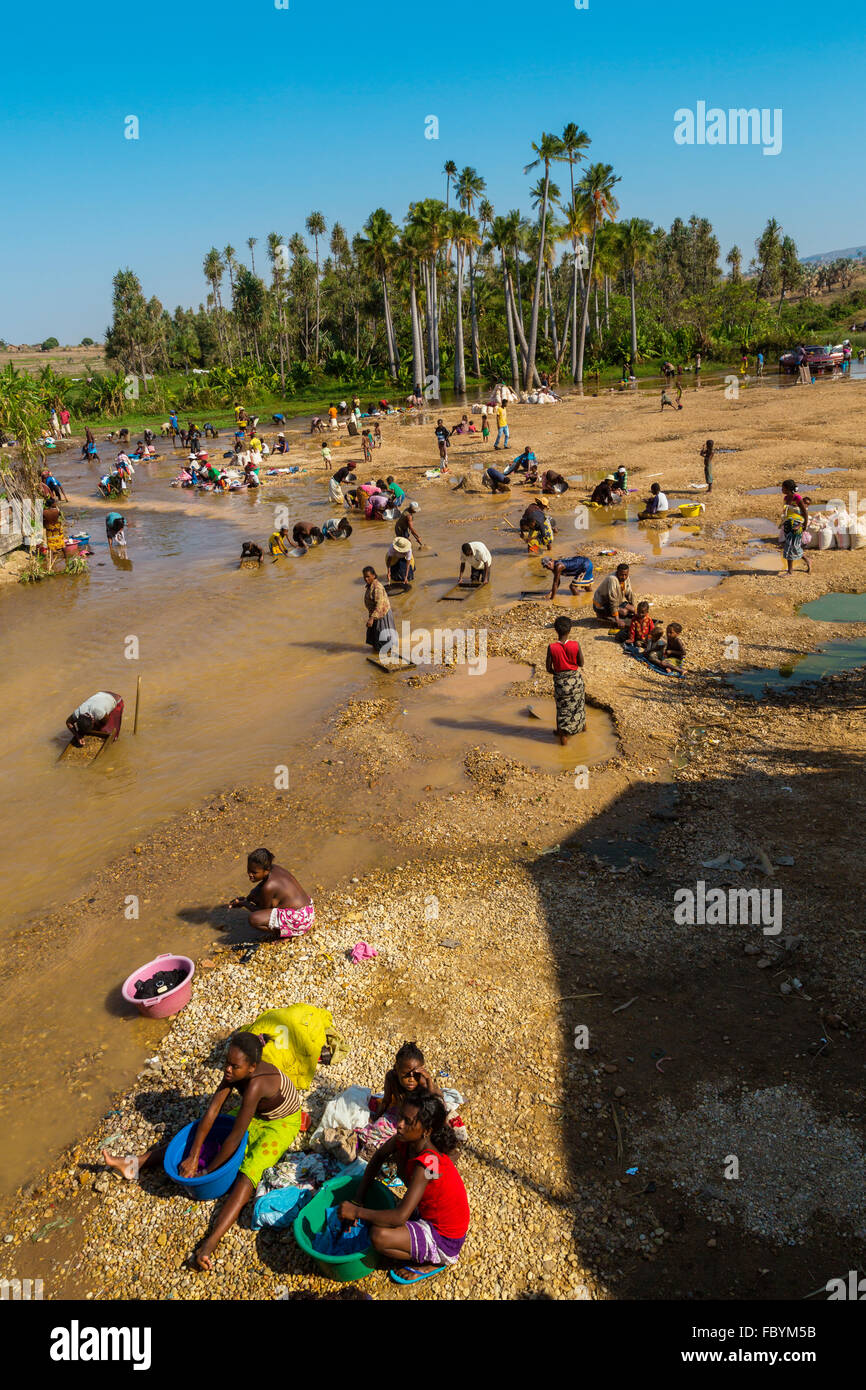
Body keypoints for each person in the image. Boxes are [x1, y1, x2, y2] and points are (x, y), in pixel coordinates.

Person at [104, 1029, 302, 1271]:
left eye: (234, 1066)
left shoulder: (256, 1085)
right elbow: (211, 1111)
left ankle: (210, 1242)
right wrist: (194, 1154)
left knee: (249, 1171)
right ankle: (135, 1163)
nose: (227, 1070)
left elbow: (236, 1135)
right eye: (226, 1063)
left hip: (281, 1122)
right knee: (203, 1132)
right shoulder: (234, 1072)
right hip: (258, 1112)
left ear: (251, 1068)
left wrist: (207, 1169)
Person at [337, 1091, 469, 1286]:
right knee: (382, 1216)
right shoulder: (406, 1141)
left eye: (408, 1121)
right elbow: (378, 1157)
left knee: (379, 1236)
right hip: (431, 1212)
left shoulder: (427, 1163)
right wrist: (358, 1197)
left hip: (445, 1235)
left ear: (426, 1130)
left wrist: (355, 1211)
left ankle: (432, 1262)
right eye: (400, 1117)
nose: (399, 1124)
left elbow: (399, 1216)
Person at [353, 1041, 443, 1160]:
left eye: (414, 1075)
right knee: (373, 1132)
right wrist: (374, 1119)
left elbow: (436, 1100)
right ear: (396, 1069)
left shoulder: (422, 1081)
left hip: (418, 1118)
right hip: (399, 1115)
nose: (411, 1079)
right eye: (406, 1075)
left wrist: (429, 1080)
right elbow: (386, 1101)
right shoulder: (391, 1078)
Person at [229, 847, 314, 939]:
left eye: (254, 872)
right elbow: (258, 889)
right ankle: (285, 927)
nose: (250, 874)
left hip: (301, 921)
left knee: (254, 919)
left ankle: (286, 933)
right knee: (256, 893)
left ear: (266, 870)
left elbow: (261, 912)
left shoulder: (269, 887)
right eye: (248, 870)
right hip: (308, 910)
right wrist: (248, 898)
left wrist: (244, 903)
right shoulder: (274, 868)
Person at [545, 615, 586, 744]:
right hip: (576, 682)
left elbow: (548, 668)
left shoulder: (552, 648)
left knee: (562, 710)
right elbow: (581, 663)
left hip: (561, 684)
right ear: (570, 630)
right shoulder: (575, 645)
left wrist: (557, 673)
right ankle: (583, 729)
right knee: (579, 706)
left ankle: (562, 736)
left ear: (556, 630)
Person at [363, 565, 398, 653]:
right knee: (377, 637)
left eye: (368, 576)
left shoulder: (377, 587)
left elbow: (379, 604)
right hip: (375, 613)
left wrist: (371, 618)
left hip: (382, 614)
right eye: (364, 577)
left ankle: (386, 654)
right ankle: (379, 652)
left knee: (383, 637)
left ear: (373, 575)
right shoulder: (370, 585)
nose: (366, 579)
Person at [781, 479, 810, 576]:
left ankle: (790, 571)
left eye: (783, 488)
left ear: (788, 488)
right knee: (794, 547)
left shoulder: (797, 498)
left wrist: (802, 525)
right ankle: (808, 561)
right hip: (788, 525)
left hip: (797, 526)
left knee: (789, 546)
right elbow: (786, 512)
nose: (782, 489)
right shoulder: (785, 498)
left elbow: (804, 513)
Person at [593, 563, 636, 628]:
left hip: (615, 602)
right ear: (617, 572)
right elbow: (613, 599)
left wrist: (635, 610)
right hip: (602, 604)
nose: (624, 577)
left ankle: (613, 613)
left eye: (625, 575)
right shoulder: (612, 579)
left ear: (628, 573)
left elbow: (629, 593)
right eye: (622, 575)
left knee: (632, 609)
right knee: (624, 612)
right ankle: (602, 615)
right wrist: (617, 620)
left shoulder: (626, 578)